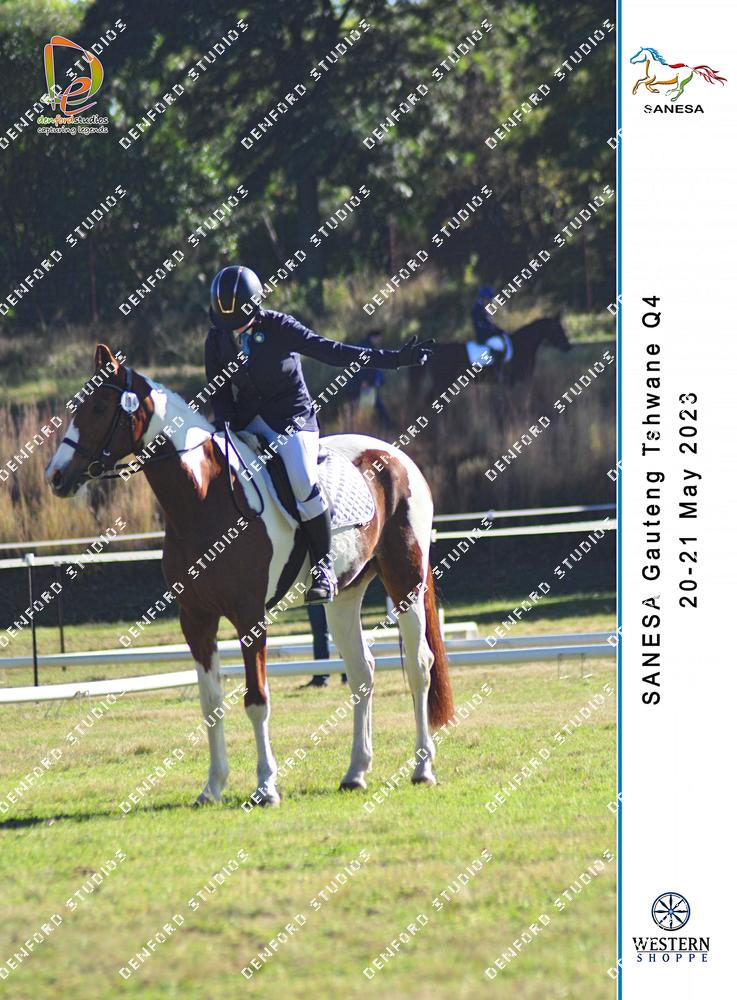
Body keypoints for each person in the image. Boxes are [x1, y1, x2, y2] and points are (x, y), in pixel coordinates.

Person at [205, 265, 433, 604]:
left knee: (301, 479)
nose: (233, 329)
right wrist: (223, 424)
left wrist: (396, 359)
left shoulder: (280, 327)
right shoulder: (217, 337)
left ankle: (323, 567)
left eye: (239, 320)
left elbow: (334, 352)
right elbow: (219, 389)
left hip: (291, 420)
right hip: (246, 422)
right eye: (227, 323)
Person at [345, 329, 393, 427]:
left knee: (364, 408)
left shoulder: (367, 347)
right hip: (361, 385)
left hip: (361, 385)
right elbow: (362, 367)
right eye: (379, 338)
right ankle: (385, 426)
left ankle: (383, 425)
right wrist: (365, 381)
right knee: (362, 409)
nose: (380, 341)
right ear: (373, 337)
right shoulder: (366, 348)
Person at [471, 285, 509, 367]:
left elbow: (490, 323)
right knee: (498, 349)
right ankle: (497, 368)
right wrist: (494, 330)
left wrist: (500, 330)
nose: (491, 301)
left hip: (488, 333)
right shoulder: (477, 309)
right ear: (484, 298)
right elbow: (482, 325)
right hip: (483, 336)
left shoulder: (485, 308)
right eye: (489, 299)